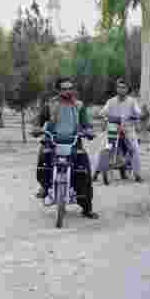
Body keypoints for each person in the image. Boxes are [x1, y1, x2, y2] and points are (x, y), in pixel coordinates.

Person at [34, 77, 97, 218]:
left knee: (85, 172)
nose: (68, 91)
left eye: (70, 88)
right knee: (43, 162)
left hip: (74, 143)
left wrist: (89, 131)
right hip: (52, 142)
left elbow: (86, 124)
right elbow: (39, 119)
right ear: (58, 90)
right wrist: (37, 128)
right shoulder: (50, 104)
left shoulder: (79, 106)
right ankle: (45, 187)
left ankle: (87, 208)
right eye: (64, 88)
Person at [93, 78, 144, 183]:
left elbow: (138, 112)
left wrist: (137, 116)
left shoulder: (132, 101)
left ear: (127, 89)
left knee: (135, 149)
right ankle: (96, 172)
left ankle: (137, 174)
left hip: (128, 129)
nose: (121, 89)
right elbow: (103, 112)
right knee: (103, 147)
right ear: (116, 89)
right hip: (113, 129)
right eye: (119, 87)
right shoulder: (111, 101)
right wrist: (101, 116)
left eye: (123, 87)